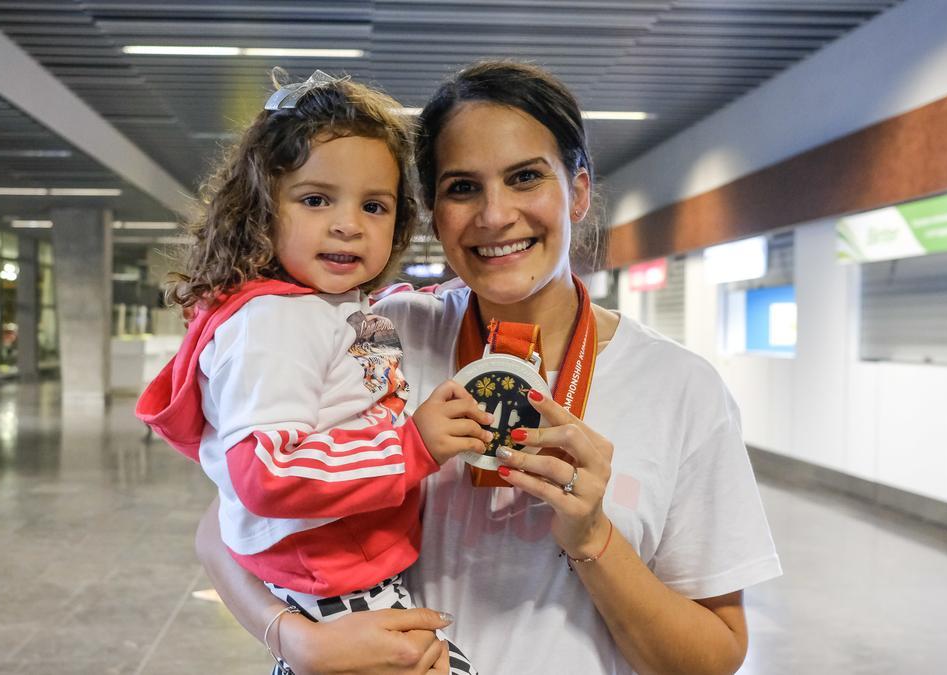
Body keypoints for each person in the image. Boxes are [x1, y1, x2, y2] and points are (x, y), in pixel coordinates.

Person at [195, 60, 783, 675]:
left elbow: (712, 658)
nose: (495, 215)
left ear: (577, 190)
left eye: (526, 177)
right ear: (430, 211)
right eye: (462, 187)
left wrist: (594, 540)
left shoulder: (679, 388)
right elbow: (224, 525)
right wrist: (296, 640)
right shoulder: (378, 336)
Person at [135, 71, 488, 675]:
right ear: (262, 210)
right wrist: (414, 446)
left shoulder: (318, 308)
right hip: (338, 582)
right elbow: (263, 471)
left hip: (332, 576)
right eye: (316, 199)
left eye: (373, 205)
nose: (348, 223)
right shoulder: (274, 320)